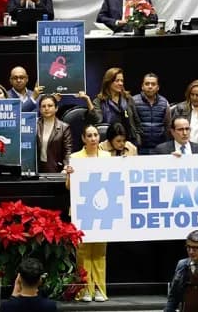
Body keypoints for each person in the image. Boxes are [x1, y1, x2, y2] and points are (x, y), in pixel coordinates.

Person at [63, 124, 110, 302]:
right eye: (89, 135)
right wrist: (69, 175)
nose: (93, 138)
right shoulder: (75, 158)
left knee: (99, 251)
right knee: (82, 251)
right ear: (83, 138)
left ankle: (99, 288)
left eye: (96, 135)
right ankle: (84, 289)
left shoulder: (107, 157)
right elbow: (69, 187)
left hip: (103, 210)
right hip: (81, 210)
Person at [85, 67, 143, 146]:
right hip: (108, 142)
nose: (120, 83)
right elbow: (97, 120)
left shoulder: (128, 98)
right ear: (108, 82)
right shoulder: (99, 101)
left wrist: (138, 137)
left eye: (122, 80)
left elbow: (137, 122)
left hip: (129, 142)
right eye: (117, 81)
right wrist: (88, 100)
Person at [133, 73, 171, 155]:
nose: (150, 86)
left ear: (158, 87)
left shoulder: (164, 102)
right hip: (139, 148)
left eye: (153, 84)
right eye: (147, 84)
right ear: (142, 86)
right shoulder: (133, 102)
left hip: (160, 148)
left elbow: (168, 126)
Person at [36, 94, 72, 173]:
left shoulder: (64, 127)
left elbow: (68, 150)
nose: (46, 108)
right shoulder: (34, 125)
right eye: (43, 106)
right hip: (36, 168)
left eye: (50, 106)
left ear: (56, 108)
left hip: (55, 168)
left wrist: (66, 166)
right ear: (40, 109)